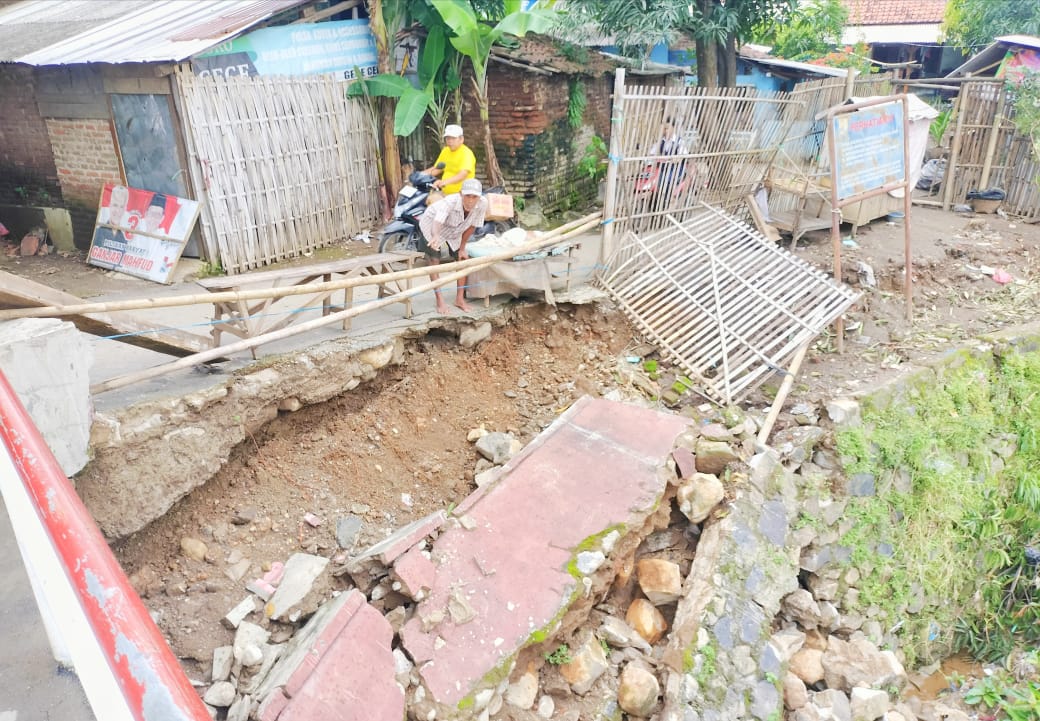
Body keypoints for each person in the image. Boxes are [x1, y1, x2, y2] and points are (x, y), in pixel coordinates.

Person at [418, 177, 487, 314]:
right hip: (431, 226)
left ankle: (459, 299)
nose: (471, 200)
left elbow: (473, 226)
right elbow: (437, 221)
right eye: (467, 196)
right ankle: (440, 301)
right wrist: (436, 236)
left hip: (455, 230)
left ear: (479, 197)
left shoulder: (483, 203)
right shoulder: (450, 202)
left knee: (462, 260)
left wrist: (462, 248)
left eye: (475, 197)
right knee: (434, 261)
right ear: (461, 194)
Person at [423, 124, 476, 195]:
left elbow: (462, 175)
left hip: (461, 195)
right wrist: (420, 175)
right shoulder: (445, 151)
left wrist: (444, 182)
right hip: (445, 193)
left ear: (461, 139)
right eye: (448, 138)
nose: (450, 141)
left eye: (453, 138)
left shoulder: (466, 153)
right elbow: (437, 169)